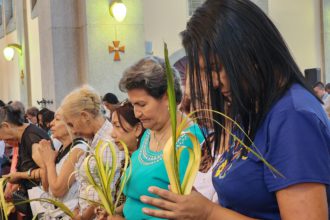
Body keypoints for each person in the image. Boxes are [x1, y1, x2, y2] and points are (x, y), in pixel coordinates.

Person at [140, 0, 330, 219]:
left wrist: (208, 212)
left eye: (215, 68)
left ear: (250, 52)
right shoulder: (254, 108)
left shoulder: (292, 116)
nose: (213, 83)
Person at [116, 56, 205, 220]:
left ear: (166, 97)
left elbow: (189, 210)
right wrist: (117, 211)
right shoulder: (149, 132)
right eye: (133, 105)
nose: (136, 113)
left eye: (141, 105)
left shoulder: (191, 141)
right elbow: (138, 197)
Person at [60, 85, 124, 220]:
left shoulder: (109, 142)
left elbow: (106, 194)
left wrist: (84, 217)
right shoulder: (93, 140)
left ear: (85, 116)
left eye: (71, 125)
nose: (73, 132)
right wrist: (78, 209)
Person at [0, 105, 50, 219]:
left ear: (5, 126)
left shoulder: (31, 137)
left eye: (0, 136)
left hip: (43, 204)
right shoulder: (25, 136)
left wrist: (18, 175)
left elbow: (47, 171)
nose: (2, 140)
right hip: (36, 202)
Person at [37, 107, 87, 219]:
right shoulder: (60, 148)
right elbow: (46, 187)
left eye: (57, 119)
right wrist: (46, 161)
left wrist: (49, 162)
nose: (51, 124)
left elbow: (57, 190)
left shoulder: (79, 149)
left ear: (71, 125)